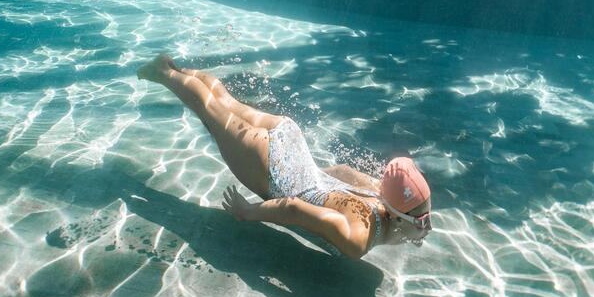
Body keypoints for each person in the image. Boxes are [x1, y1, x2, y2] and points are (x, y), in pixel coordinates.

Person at [137, 55, 432, 259]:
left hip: (288, 136)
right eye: (422, 220)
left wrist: (309, 179)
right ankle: (162, 72)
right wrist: (249, 212)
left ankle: (175, 66)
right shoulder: (357, 239)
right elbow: (293, 209)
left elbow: (340, 170)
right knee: (208, 108)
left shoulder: (375, 190)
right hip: (269, 167)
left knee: (224, 101)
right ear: (398, 216)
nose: (427, 226)